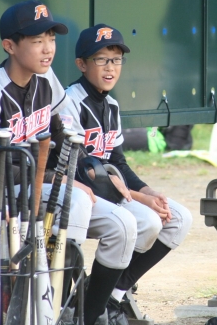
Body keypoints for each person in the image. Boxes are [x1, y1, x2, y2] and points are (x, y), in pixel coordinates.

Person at [62, 24, 193, 325]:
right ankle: (89, 307)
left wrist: (149, 192)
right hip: (82, 194)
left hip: (109, 193)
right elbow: (80, 169)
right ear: (82, 64)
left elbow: (117, 162)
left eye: (117, 59)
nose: (111, 67)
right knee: (146, 220)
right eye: (101, 59)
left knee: (178, 218)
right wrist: (139, 199)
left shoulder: (111, 104)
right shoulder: (71, 101)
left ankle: (111, 296)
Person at [0, 0, 94, 244]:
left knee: (122, 223)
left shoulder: (45, 76)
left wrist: (90, 169)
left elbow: (58, 132)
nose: (48, 49)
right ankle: (55, 267)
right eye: (38, 41)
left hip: (42, 184)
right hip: (5, 191)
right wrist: (57, 178)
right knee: (77, 200)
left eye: (52, 39)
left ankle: (62, 265)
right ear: (9, 46)